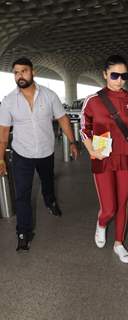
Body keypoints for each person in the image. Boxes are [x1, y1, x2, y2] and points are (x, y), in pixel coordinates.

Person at [0, 57, 79, 251]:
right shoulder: (8, 101)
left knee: (47, 181)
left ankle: (50, 200)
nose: (20, 75)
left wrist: (72, 142)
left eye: (24, 71)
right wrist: (0, 157)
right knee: (22, 194)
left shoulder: (50, 95)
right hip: (21, 154)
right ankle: (23, 232)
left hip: (45, 151)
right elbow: (3, 133)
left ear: (32, 72)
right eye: (16, 72)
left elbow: (62, 119)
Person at [80, 55, 128, 263]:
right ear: (105, 74)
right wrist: (91, 150)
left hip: (126, 156)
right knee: (109, 208)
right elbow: (84, 128)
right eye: (114, 75)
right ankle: (102, 223)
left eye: (124, 76)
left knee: (123, 203)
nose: (119, 80)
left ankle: (119, 243)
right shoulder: (93, 100)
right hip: (103, 156)